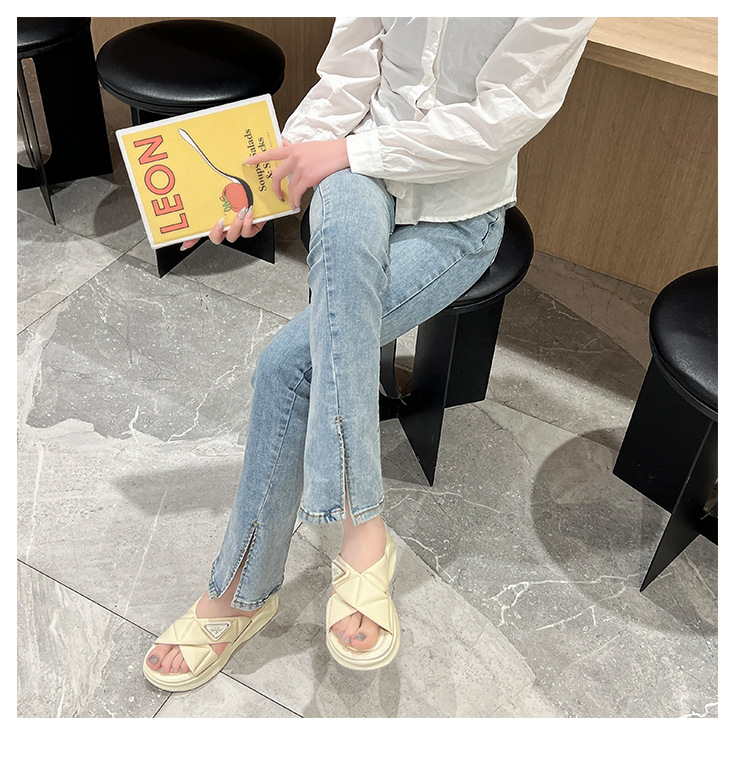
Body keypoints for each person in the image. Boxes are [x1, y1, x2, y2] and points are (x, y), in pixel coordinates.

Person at [143, 16, 597, 690]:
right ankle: (363, 538)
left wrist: (349, 153)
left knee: (288, 366)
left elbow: (499, 121)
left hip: (457, 211)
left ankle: (242, 590)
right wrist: (275, 177)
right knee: (338, 245)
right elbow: (348, 74)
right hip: (354, 177)